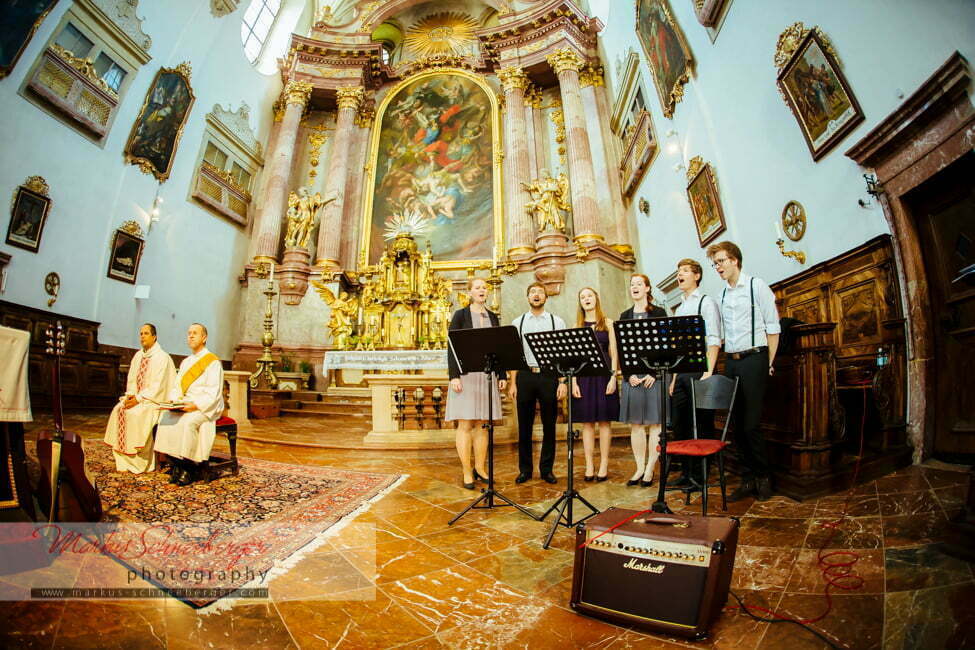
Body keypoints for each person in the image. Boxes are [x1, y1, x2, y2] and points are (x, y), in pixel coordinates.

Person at [706, 241, 780, 502]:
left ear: (735, 260)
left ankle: (764, 476)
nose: (718, 267)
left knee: (751, 424)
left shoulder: (755, 286)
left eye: (721, 261)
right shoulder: (722, 295)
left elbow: (773, 327)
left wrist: (768, 361)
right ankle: (748, 479)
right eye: (714, 263)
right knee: (736, 425)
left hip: (755, 358)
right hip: (732, 361)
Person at [445, 278, 505, 490]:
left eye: (484, 287)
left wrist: (502, 375)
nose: (481, 290)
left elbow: (500, 347)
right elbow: (451, 346)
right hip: (466, 375)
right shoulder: (460, 315)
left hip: (486, 376)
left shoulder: (493, 316)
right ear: (470, 292)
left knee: (482, 424)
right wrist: (454, 376)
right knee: (466, 424)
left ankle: (480, 468)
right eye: (477, 287)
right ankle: (466, 470)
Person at [667, 259, 722, 488]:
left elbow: (714, 339)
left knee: (701, 423)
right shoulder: (679, 308)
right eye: (678, 271)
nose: (680, 275)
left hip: (701, 370)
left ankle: (700, 476)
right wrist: (673, 379)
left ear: (697, 276)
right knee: (681, 425)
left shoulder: (706, 303)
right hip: (681, 373)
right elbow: (677, 349)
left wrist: (708, 372)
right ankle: (686, 473)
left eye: (685, 271)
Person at [508, 282, 567, 485]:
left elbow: (562, 355)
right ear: (527, 297)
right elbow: (514, 356)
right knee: (524, 425)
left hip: (548, 376)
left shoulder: (556, 322)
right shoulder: (518, 322)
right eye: (532, 292)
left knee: (549, 425)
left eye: (540, 292)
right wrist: (513, 383)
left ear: (545, 297)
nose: (536, 295)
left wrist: (562, 382)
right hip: (525, 376)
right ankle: (525, 470)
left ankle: (546, 470)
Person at [155, 323, 224, 486]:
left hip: (206, 405)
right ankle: (179, 465)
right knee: (165, 420)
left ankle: (189, 468)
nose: (191, 336)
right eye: (189, 333)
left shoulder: (212, 361)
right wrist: (175, 401)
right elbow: (177, 386)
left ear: (204, 338)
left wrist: (195, 405)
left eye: (195, 333)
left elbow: (214, 392)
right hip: (185, 404)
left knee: (187, 423)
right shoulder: (186, 362)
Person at [102, 324, 176, 473]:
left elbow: (158, 387)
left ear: (154, 337)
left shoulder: (162, 358)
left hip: (154, 401)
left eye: (146, 333)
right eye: (141, 333)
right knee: (119, 409)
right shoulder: (138, 355)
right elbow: (132, 380)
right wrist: (130, 396)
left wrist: (138, 399)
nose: (142, 336)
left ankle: (140, 462)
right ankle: (123, 461)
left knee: (136, 414)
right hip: (139, 398)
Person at [619, 273, 667, 487]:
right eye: (632, 285)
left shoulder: (659, 312)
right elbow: (622, 350)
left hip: (653, 377)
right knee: (636, 425)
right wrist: (628, 374)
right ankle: (639, 468)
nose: (635, 287)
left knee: (655, 423)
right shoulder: (625, 315)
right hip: (633, 378)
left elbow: (665, 346)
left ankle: (650, 469)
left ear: (647, 288)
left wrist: (654, 374)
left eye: (639, 284)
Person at [571, 288, 619, 482]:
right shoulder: (577, 326)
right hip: (584, 377)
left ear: (596, 299)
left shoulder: (608, 323)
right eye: (582, 297)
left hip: (604, 375)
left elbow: (614, 352)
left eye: (589, 296)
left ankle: (604, 464)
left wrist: (613, 377)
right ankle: (589, 464)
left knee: (605, 422)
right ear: (580, 303)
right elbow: (573, 357)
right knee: (587, 423)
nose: (586, 299)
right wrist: (573, 381)